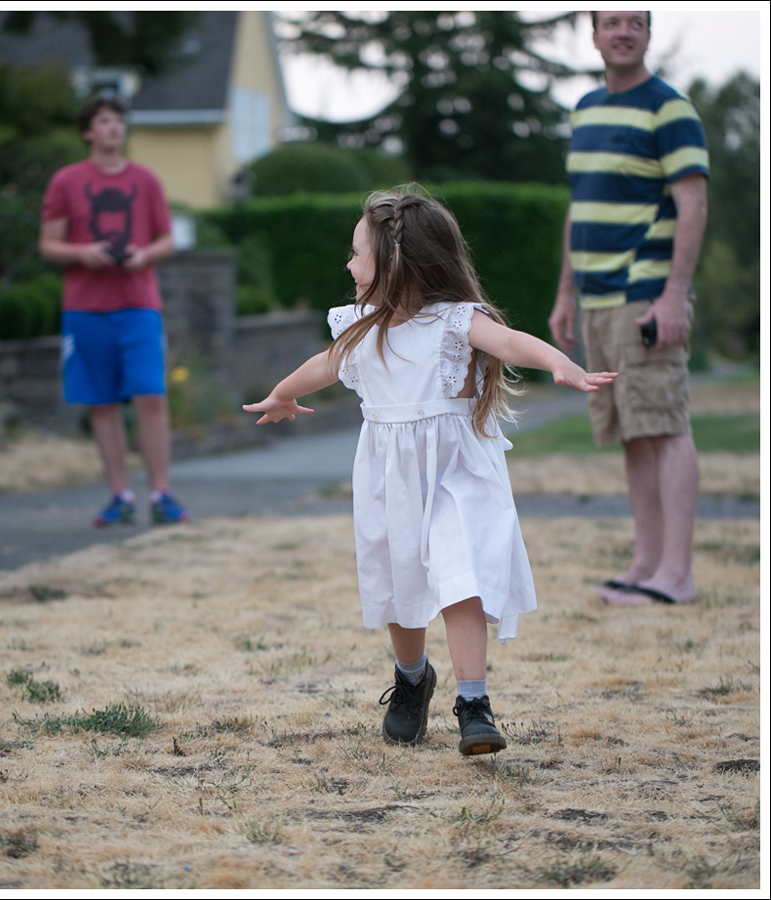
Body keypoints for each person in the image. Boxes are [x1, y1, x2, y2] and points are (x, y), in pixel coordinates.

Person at [244, 188, 617, 755]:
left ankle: (474, 703)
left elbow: (509, 340)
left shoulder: (454, 322)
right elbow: (325, 364)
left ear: (393, 261)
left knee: (459, 578)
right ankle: (412, 677)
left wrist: (557, 360)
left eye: (356, 253)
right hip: (390, 479)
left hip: (454, 477)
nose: (348, 264)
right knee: (400, 587)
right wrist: (280, 393)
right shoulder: (361, 326)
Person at [548, 12, 709, 606]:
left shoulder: (670, 108)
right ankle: (647, 562)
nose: (623, 31)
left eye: (634, 22)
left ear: (647, 34)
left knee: (664, 425)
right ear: (593, 36)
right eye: (610, 22)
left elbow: (693, 204)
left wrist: (673, 294)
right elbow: (578, 205)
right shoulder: (586, 110)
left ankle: (677, 574)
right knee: (631, 433)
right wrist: (566, 292)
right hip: (596, 299)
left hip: (645, 294)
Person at [40, 95, 189, 527]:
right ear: (88, 131)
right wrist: (83, 252)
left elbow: (167, 239)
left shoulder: (145, 180)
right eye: (105, 121)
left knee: (150, 395)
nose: (114, 128)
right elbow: (49, 245)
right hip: (86, 308)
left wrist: (144, 255)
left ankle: (161, 493)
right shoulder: (66, 181)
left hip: (140, 305)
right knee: (101, 402)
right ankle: (119, 496)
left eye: (119, 121)